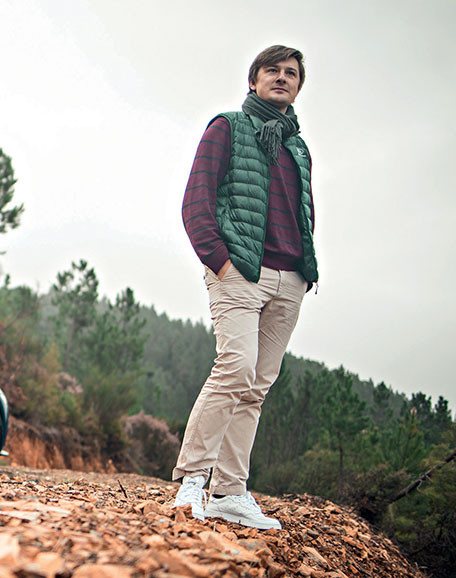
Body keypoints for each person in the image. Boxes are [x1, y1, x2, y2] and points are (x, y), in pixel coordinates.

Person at [172, 45, 318, 530]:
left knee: (256, 388)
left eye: (291, 73)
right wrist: (220, 261)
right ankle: (192, 480)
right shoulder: (228, 127)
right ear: (253, 80)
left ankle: (230, 492)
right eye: (272, 70)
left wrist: (304, 271)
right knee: (235, 369)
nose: (282, 77)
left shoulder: (298, 148)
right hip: (240, 272)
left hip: (289, 279)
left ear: (298, 86)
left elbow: (304, 213)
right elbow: (196, 201)